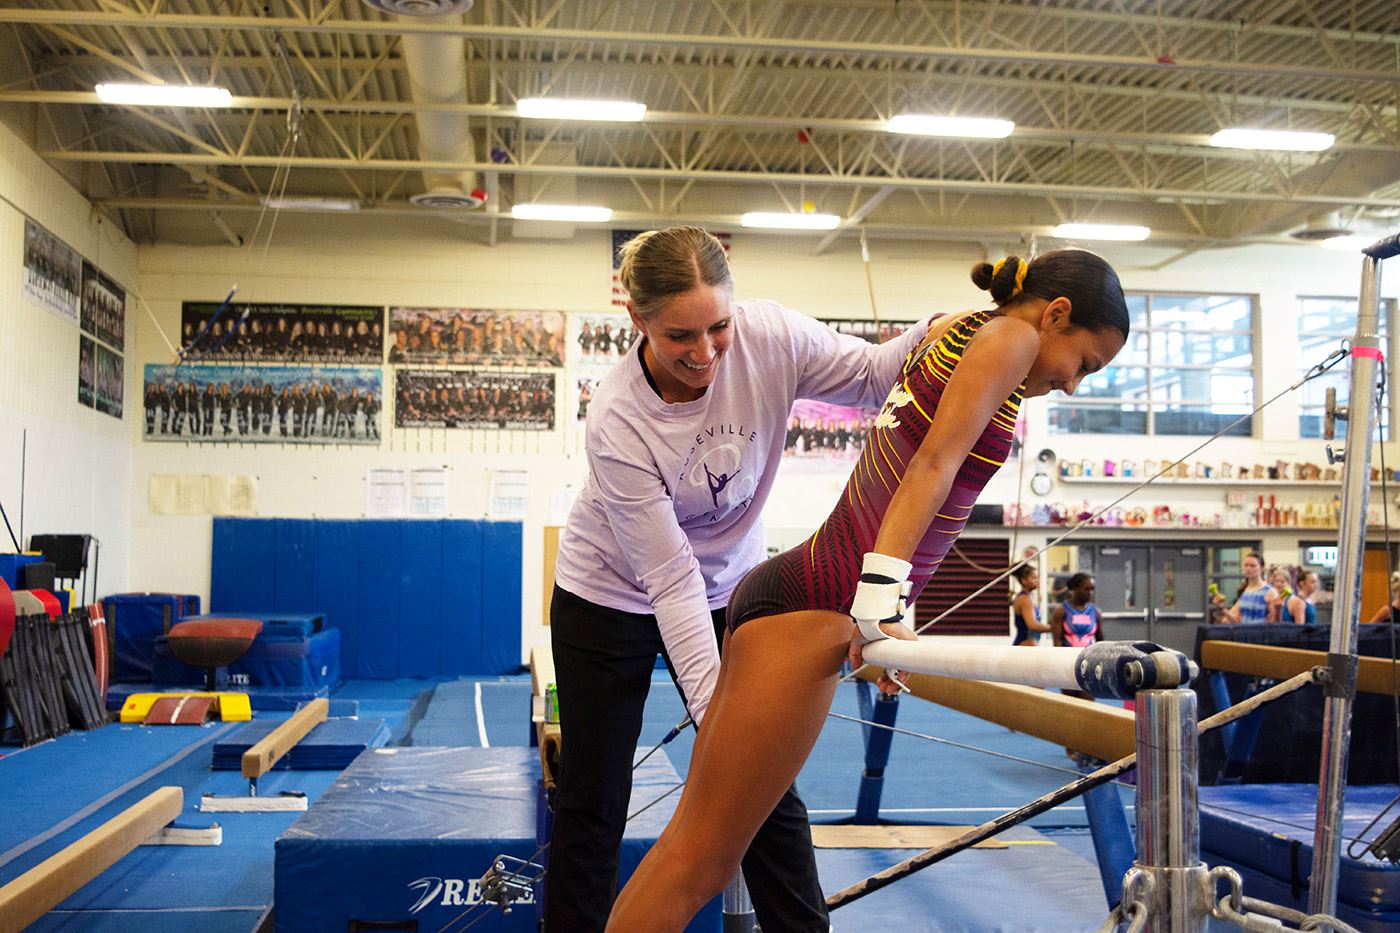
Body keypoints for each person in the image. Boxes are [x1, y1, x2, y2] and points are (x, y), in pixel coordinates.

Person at [604, 247, 1130, 932]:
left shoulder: (969, 329)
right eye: (1084, 363)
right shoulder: (1011, 336)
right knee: (697, 861)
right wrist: (876, 608)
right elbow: (932, 467)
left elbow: (908, 471)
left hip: (807, 594)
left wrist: (882, 609)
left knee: (695, 847)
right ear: (1056, 313)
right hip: (817, 601)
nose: (1072, 384)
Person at [548, 226, 931, 933]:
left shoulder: (772, 336)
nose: (704, 353)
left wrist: (944, 329)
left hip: (729, 587)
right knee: (593, 795)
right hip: (606, 592)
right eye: (679, 336)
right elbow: (669, 581)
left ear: (736, 307)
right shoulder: (618, 418)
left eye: (718, 327)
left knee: (762, 785)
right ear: (637, 320)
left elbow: (878, 374)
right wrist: (717, 712)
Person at [1222, 552, 1277, 624]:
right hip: (1244, 633)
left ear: (1262, 568)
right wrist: (1221, 608)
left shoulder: (1270, 592)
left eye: (1253, 566)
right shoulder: (1246, 592)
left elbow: (1275, 624)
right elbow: (1232, 620)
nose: (1248, 568)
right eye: (1246, 565)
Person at [1051, 573, 1101, 651]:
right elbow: (1057, 642)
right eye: (1086, 589)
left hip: (1087, 659)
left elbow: (1100, 643)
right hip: (1067, 657)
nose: (1090, 593)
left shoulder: (1096, 612)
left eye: (1092, 589)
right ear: (1075, 588)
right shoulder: (1061, 611)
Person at [1010, 564, 1050, 646]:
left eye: (1037, 577)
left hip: (1030, 644)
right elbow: (1033, 625)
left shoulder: (1030, 597)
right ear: (1024, 580)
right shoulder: (1024, 599)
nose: (1037, 580)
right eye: (1034, 578)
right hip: (1025, 644)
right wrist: (1055, 628)